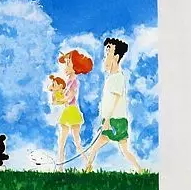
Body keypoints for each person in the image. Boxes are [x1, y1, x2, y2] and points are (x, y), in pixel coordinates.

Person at [85, 37, 143, 172]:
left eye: (108, 53)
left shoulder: (117, 77)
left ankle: (140, 170)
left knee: (123, 150)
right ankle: (87, 169)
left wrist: (107, 121)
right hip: (112, 119)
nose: (105, 57)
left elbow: (115, 101)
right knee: (97, 146)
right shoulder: (112, 77)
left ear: (116, 57)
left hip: (116, 121)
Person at [54, 49, 93, 169]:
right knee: (66, 141)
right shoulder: (69, 81)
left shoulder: (73, 82)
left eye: (68, 63)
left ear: (74, 66)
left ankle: (86, 163)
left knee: (70, 141)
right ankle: (62, 166)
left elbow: (69, 98)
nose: (65, 66)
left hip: (71, 112)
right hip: (69, 112)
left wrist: (59, 101)